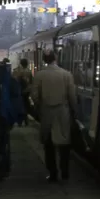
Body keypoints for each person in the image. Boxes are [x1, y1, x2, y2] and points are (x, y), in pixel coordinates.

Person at [31, 50, 77, 182]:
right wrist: (74, 111)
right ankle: (65, 172)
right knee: (64, 144)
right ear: (55, 58)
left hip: (46, 113)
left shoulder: (39, 75)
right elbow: (72, 96)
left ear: (44, 60)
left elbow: (34, 95)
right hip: (63, 112)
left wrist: (39, 106)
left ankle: (53, 173)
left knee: (48, 145)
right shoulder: (66, 74)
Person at [12, 58, 33, 126]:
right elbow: (31, 82)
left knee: (18, 106)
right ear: (26, 64)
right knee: (26, 106)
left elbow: (13, 81)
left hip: (18, 92)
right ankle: (25, 120)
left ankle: (19, 121)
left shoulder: (16, 70)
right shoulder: (29, 71)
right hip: (26, 92)